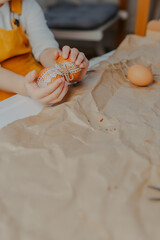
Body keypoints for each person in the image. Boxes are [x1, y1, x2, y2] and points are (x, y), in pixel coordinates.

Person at [0, 0, 89, 104]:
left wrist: (65, 67)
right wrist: (25, 87)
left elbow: (44, 47)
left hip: (38, 81)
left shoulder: (27, 5)